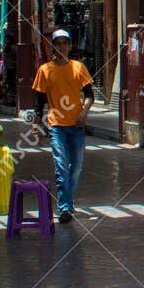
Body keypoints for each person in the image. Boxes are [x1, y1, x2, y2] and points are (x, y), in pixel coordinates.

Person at [29, 29, 94, 224]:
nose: (62, 46)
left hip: (77, 125)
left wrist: (84, 112)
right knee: (61, 166)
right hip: (56, 125)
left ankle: (67, 201)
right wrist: (35, 125)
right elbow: (38, 103)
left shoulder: (78, 67)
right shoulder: (45, 70)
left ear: (70, 45)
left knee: (77, 167)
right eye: (58, 43)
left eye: (66, 42)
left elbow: (90, 95)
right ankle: (65, 207)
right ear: (53, 46)